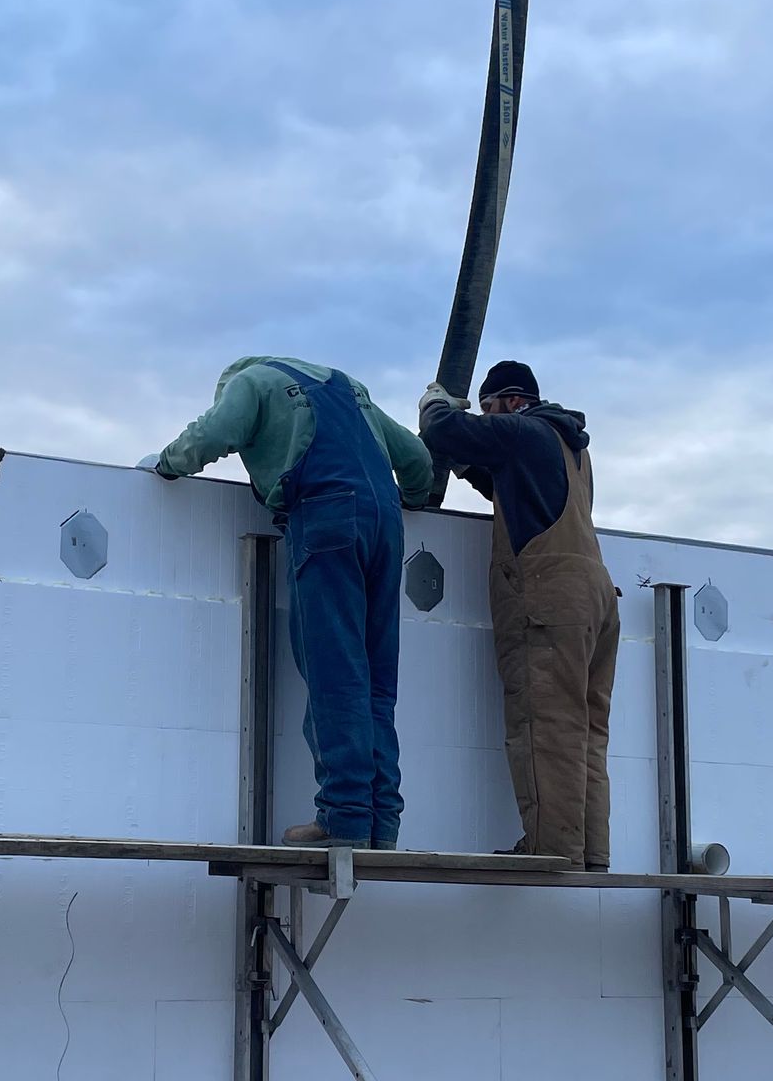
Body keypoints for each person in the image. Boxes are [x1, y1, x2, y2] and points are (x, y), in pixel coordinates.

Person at [146, 358, 434, 850]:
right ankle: (382, 822)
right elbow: (416, 458)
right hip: (386, 525)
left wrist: (166, 465)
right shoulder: (349, 387)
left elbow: (211, 435)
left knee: (335, 672)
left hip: (326, 519)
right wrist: (414, 496)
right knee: (376, 681)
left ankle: (344, 817)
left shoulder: (250, 382)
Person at [418, 360, 617, 870]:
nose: (487, 419)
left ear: (510, 402)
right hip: (596, 597)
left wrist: (437, 405)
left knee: (545, 725)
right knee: (586, 732)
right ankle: (590, 852)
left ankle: (553, 850)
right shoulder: (570, 447)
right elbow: (506, 486)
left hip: (551, 597)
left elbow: (444, 429)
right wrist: (468, 465)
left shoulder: (523, 431)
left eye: (489, 410)